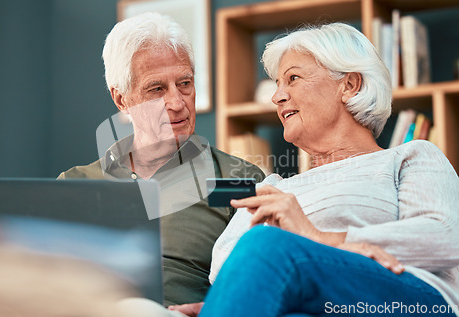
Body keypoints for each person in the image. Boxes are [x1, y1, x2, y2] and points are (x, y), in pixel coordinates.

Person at [170, 22, 459, 316]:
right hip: (321, 304)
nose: (277, 96)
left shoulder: (411, 156)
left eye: (293, 78)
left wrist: (319, 238)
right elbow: (223, 268)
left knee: (266, 243)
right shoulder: (277, 188)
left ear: (349, 85)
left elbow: (444, 237)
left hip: (410, 300)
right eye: (277, 85)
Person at [58, 12, 265, 307]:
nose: (178, 102)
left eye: (185, 83)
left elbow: (260, 283)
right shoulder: (74, 184)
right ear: (122, 100)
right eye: (157, 89)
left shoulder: (237, 179)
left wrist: (219, 309)